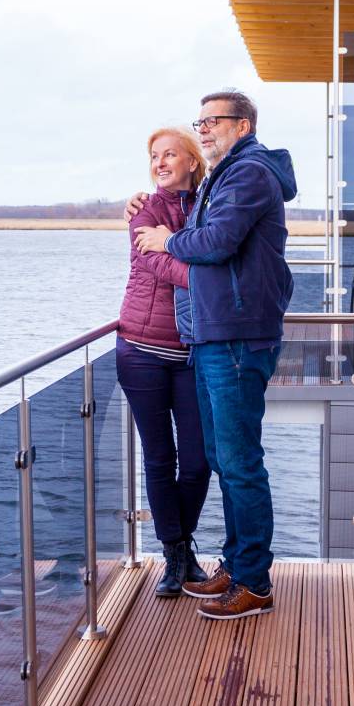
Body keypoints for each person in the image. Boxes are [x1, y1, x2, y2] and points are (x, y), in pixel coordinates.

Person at [132, 90, 295, 620]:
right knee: (227, 461)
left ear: (242, 126)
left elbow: (218, 240)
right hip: (215, 333)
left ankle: (254, 583)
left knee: (241, 464)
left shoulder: (248, 174)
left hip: (237, 336)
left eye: (212, 121)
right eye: (198, 121)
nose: (202, 129)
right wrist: (148, 214)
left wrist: (165, 241)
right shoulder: (225, 175)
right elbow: (198, 229)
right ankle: (237, 563)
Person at [117, 127, 213, 597]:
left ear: (192, 161)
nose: (159, 162)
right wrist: (207, 274)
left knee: (198, 462)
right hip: (141, 352)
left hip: (193, 353)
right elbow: (161, 266)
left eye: (170, 153)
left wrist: (181, 251)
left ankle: (181, 544)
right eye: (153, 155)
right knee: (160, 458)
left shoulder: (210, 204)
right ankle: (176, 553)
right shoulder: (146, 212)